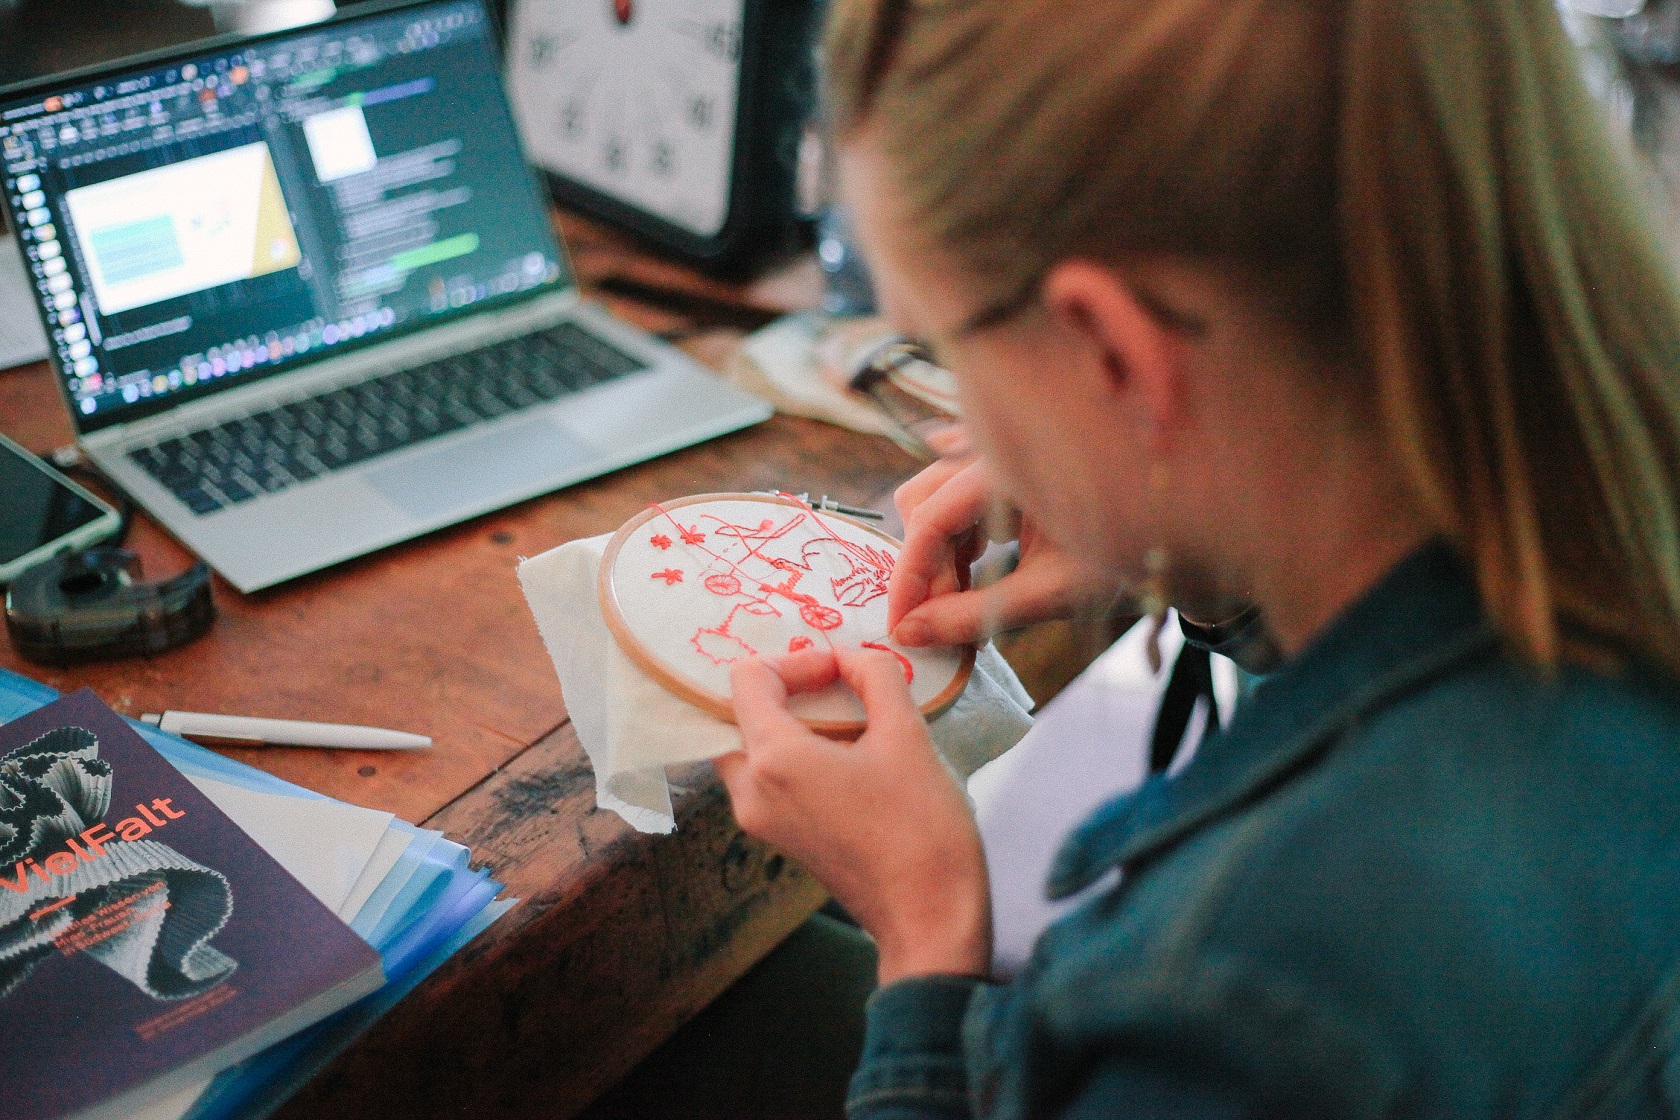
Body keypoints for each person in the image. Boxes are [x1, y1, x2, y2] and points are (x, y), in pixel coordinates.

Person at [711, 0, 1680, 1116]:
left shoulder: (1241, 1001)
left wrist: (927, 943)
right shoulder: (1618, 531)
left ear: (1116, 353)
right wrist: (1203, 537)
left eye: (943, 347)